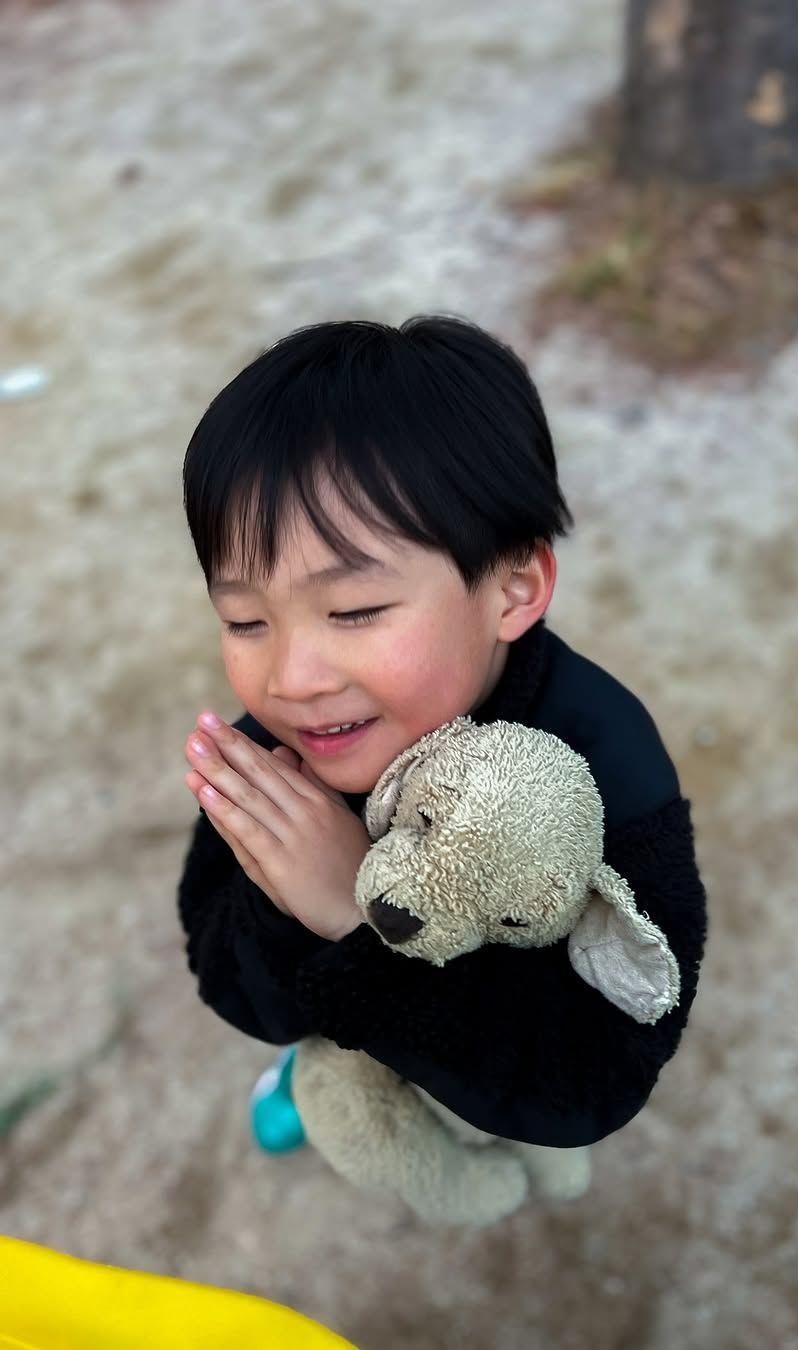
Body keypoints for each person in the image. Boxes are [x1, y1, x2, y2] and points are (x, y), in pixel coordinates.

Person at [176, 315, 708, 1153]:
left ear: (513, 588)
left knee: (485, 1137)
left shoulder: (606, 765)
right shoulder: (290, 752)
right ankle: (328, 1079)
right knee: (332, 1070)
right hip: (358, 1025)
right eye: (246, 619)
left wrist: (356, 919)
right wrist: (286, 907)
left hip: (505, 1065)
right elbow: (226, 983)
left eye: (353, 610)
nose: (291, 679)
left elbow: (600, 1075)